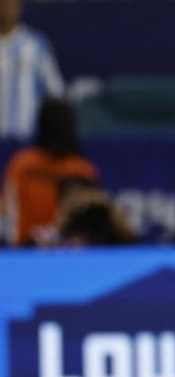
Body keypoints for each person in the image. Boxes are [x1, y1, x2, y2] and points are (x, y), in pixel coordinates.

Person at [2, 97, 99, 247]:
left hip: (68, 253)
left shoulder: (82, 170)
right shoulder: (23, 165)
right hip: (24, 252)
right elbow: (8, 211)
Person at [0, 0, 65, 140]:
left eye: (11, 4)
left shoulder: (36, 46)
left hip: (28, 138)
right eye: (3, 4)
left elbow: (55, 92)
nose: (6, 9)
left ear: (19, 6)